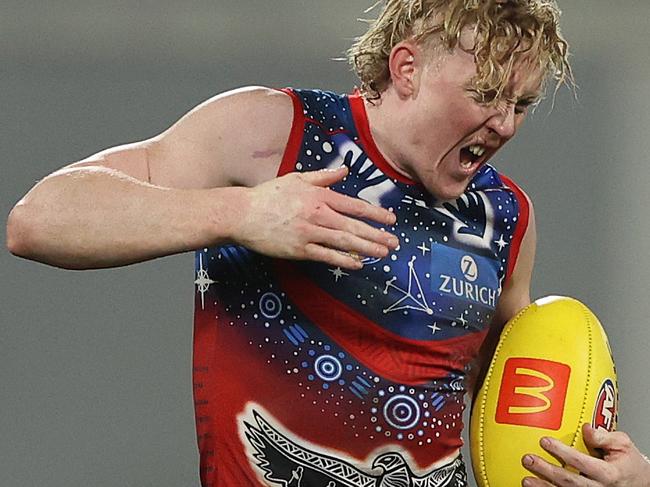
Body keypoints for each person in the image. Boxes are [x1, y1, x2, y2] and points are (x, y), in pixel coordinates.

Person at [6, 0, 650, 486]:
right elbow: (39, 220)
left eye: (523, 103)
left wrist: (601, 466)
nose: (505, 124)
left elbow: (507, 423)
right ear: (408, 67)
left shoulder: (507, 216)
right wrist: (239, 213)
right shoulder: (274, 132)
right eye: (486, 94)